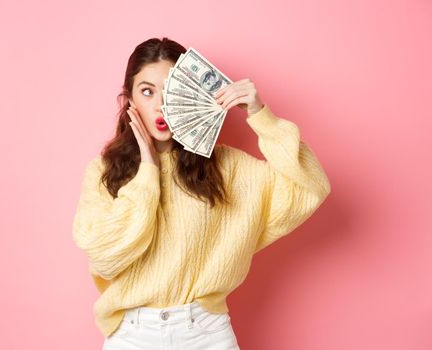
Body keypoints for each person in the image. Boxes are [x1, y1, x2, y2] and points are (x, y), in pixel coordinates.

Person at [72, 37, 331, 350]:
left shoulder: (227, 168)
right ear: (129, 99)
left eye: (171, 89)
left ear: (190, 91)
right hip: (132, 334)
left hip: (205, 334)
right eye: (147, 91)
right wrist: (149, 171)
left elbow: (310, 187)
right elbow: (106, 257)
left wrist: (261, 116)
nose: (160, 104)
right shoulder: (103, 171)